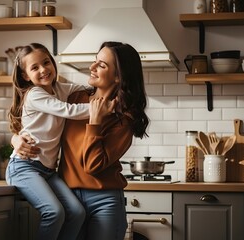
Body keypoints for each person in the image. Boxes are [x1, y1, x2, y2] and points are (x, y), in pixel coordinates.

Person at [12, 41, 150, 240]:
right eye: (95, 61)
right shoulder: (75, 97)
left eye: (102, 65)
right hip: (69, 198)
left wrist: (95, 122)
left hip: (104, 201)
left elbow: (93, 165)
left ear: (118, 76)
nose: (92, 67)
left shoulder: (123, 118)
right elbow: (35, 123)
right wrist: (16, 140)